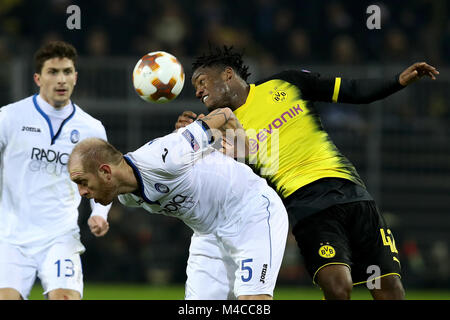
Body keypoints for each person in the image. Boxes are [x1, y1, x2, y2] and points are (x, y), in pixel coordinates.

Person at [175, 45, 440, 300]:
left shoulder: (286, 83)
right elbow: (214, 176)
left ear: (228, 74)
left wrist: (398, 81)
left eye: (201, 82)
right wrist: (185, 137)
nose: (198, 92)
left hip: (351, 191)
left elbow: (351, 90)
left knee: (390, 289)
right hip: (306, 205)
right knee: (338, 287)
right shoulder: (222, 128)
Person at [67, 107, 288, 300]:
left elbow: (225, 114)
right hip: (209, 234)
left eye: (83, 182)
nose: (82, 192)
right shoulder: (126, 196)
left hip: (251, 212)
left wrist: (244, 151)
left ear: (106, 171)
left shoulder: (164, 156)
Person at [0, 41, 111, 300]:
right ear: (38, 78)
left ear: (76, 77)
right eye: (53, 72)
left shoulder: (91, 129)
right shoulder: (10, 117)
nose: (61, 79)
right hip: (10, 238)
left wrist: (100, 213)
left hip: (60, 237)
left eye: (67, 71)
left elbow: (105, 181)